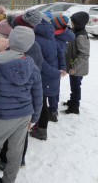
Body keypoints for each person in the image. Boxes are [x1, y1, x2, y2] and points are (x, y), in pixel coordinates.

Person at [0, 26, 43, 183]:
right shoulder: (32, 67)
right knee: (15, 152)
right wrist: (34, 118)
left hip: (2, 115)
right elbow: (38, 95)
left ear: (10, 40)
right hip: (24, 116)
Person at [30, 13, 66, 141]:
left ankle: (41, 131)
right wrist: (61, 68)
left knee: (41, 103)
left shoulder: (36, 38)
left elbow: (40, 62)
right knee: (42, 102)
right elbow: (60, 53)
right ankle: (40, 128)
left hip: (44, 75)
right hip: (51, 75)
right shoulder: (51, 35)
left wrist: (56, 72)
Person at [62, 11, 90, 115]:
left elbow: (84, 55)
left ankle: (75, 106)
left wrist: (74, 66)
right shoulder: (77, 31)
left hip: (77, 67)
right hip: (74, 66)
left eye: (73, 23)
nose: (72, 24)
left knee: (76, 87)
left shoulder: (81, 36)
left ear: (79, 23)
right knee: (74, 85)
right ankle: (72, 100)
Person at [48, 14, 75, 122]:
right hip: (60, 65)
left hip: (52, 63)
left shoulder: (54, 35)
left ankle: (52, 111)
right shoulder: (66, 33)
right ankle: (54, 110)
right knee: (55, 88)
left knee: (49, 88)